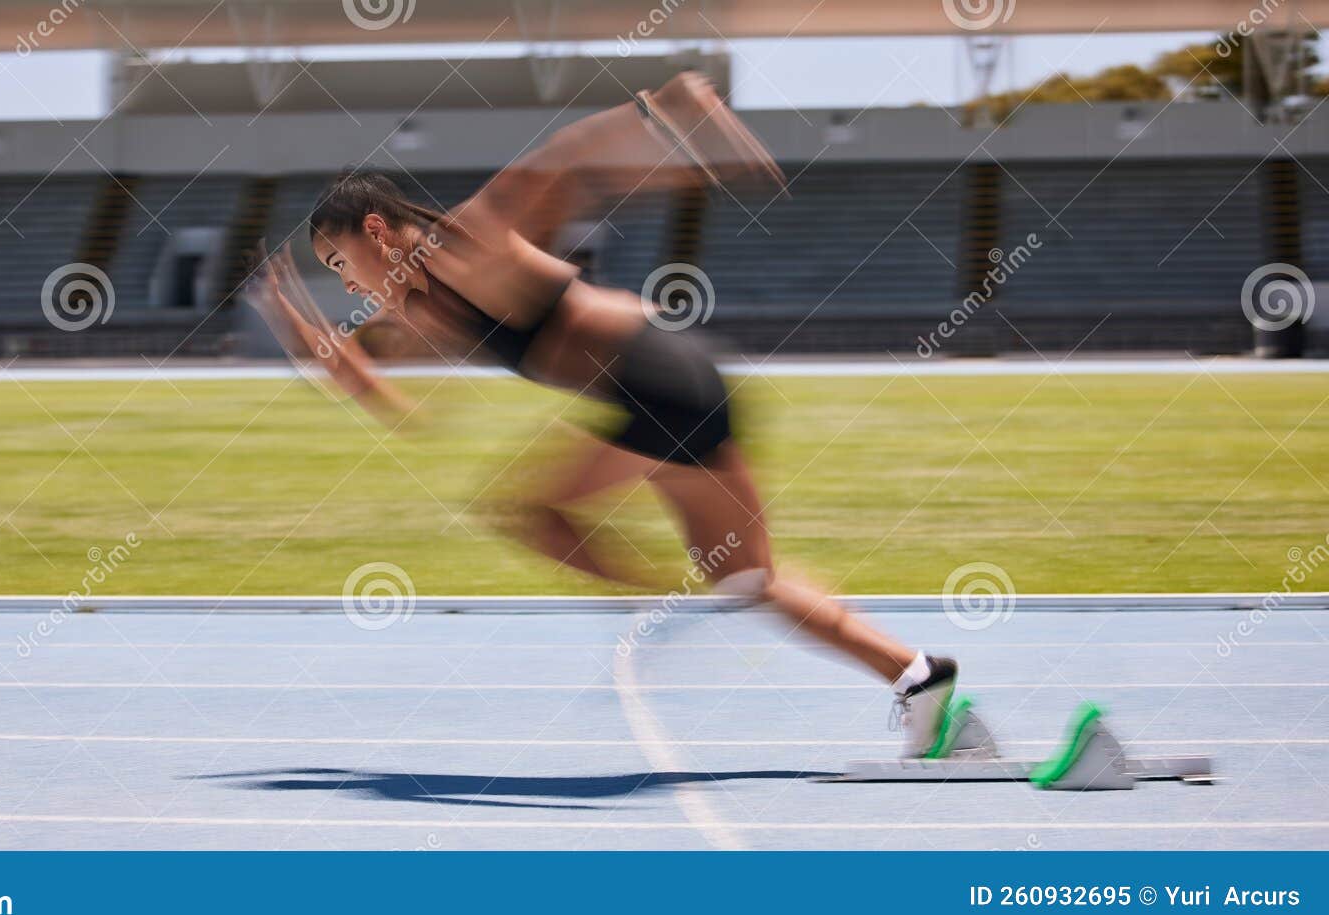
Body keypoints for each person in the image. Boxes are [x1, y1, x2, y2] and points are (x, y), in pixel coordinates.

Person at [247, 72, 961, 756]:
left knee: (530, 512)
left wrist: (668, 107)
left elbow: (564, 163)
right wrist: (291, 322)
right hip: (675, 386)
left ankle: (655, 612)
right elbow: (376, 392)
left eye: (340, 262)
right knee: (748, 579)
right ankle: (916, 673)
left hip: (656, 383)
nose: (345, 282)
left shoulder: (467, 241)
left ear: (376, 229)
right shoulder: (421, 308)